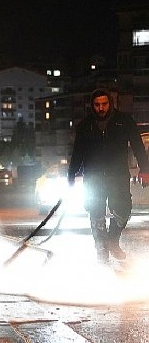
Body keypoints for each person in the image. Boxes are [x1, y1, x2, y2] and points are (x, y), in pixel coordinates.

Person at [68, 88, 149, 264]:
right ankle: (101, 251)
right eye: (97, 105)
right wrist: (71, 176)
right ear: (92, 106)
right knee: (96, 214)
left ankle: (113, 240)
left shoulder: (124, 121)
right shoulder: (85, 126)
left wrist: (145, 169)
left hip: (118, 176)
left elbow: (138, 146)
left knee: (123, 210)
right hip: (94, 178)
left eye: (104, 104)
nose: (101, 108)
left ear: (110, 103)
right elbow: (77, 153)